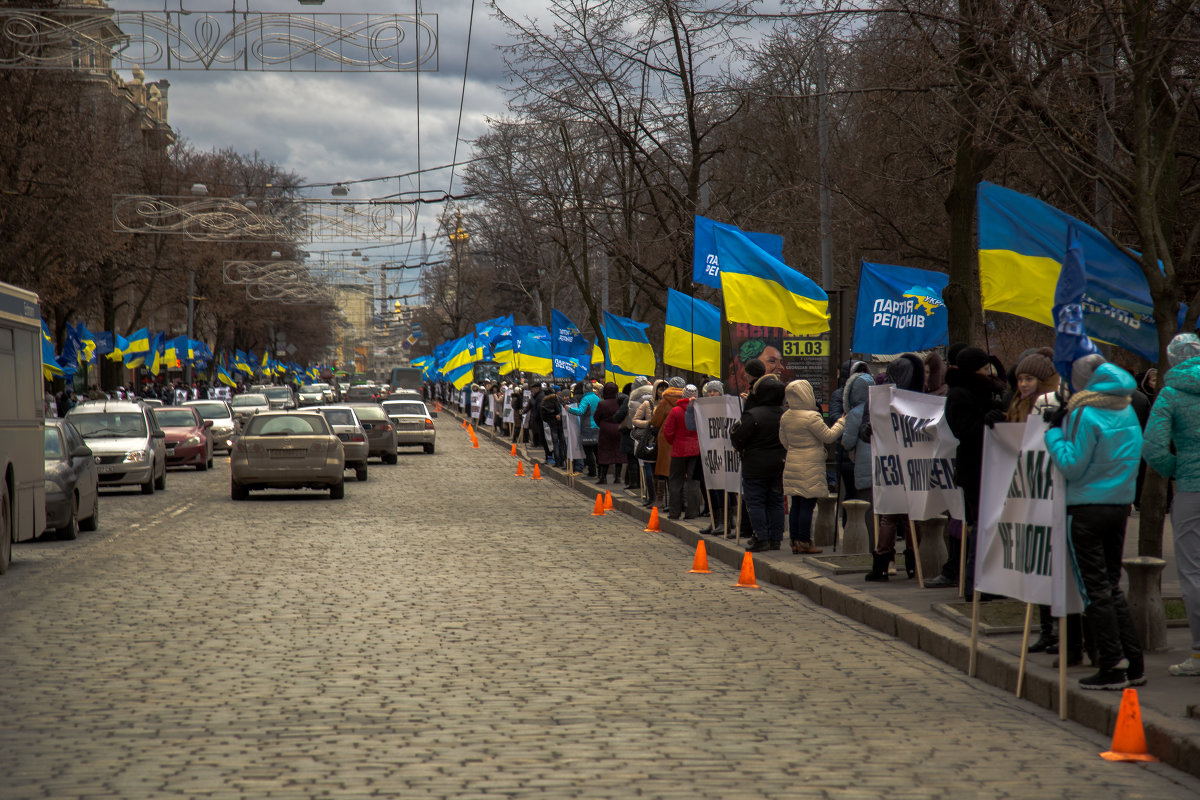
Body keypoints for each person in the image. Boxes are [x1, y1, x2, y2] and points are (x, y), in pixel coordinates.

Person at [1045, 360, 1145, 690]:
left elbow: (1071, 465)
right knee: (1112, 585)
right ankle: (1134, 662)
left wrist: (1054, 435)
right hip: (1119, 505)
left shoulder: (1083, 414)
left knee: (1095, 589)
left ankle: (1111, 663)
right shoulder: (1127, 409)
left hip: (1086, 506)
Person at [1142, 333, 1200, 677]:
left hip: (1191, 490)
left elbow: (1153, 447)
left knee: (1192, 572)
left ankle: (1198, 653)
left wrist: (1175, 469)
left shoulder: (1170, 393)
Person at [944, 346, 1007, 596]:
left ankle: (991, 582)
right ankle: (975, 585)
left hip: (991, 466)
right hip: (974, 469)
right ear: (974, 370)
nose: (989, 371)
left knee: (989, 524)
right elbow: (965, 432)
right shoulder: (960, 394)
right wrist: (987, 420)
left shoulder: (987, 390)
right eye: (984, 368)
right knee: (980, 525)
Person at [780, 379, 845, 554]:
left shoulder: (786, 416)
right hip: (810, 464)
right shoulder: (812, 417)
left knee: (797, 504)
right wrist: (841, 422)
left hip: (793, 461)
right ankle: (804, 542)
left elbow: (784, 442)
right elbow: (829, 436)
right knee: (808, 505)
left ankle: (794, 541)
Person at [731, 374, 787, 552]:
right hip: (779, 463)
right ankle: (776, 539)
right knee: (776, 501)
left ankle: (761, 538)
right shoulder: (784, 415)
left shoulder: (753, 415)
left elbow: (738, 437)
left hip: (755, 466)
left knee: (756, 502)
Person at [663, 384, 701, 519]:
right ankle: (692, 512)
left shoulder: (676, 411)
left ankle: (674, 512)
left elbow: (667, 431)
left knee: (675, 481)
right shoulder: (700, 411)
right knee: (693, 482)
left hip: (679, 450)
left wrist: (674, 442)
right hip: (696, 450)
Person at [650, 382, 684, 505]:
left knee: (663, 470)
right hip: (682, 439)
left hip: (665, 439)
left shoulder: (664, 401)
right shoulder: (688, 401)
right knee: (678, 472)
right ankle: (677, 502)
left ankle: (660, 500)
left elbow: (655, 421)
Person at [632, 380, 665, 507]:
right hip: (650, 441)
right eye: (660, 389)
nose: (662, 392)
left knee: (659, 472)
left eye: (664, 389)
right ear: (655, 390)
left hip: (662, 442)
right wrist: (649, 423)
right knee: (649, 471)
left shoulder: (666, 404)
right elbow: (635, 420)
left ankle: (658, 499)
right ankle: (652, 497)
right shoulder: (647, 404)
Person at [567, 382, 600, 477]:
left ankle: (592, 471)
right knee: (596, 451)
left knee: (588, 451)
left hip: (587, 428)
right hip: (597, 427)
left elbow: (580, 411)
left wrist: (569, 409)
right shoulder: (597, 398)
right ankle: (601, 472)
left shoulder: (585, 399)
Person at [593, 382, 623, 484]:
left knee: (604, 452)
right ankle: (618, 477)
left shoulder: (602, 404)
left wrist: (602, 424)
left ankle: (603, 477)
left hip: (605, 430)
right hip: (618, 429)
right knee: (618, 453)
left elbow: (596, 417)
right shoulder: (620, 402)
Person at [541, 384, 564, 466]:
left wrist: (549, 420)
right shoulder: (558, 399)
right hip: (560, 423)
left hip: (552, 424)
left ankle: (557, 461)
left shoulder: (544, 402)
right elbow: (562, 410)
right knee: (561, 441)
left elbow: (543, 416)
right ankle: (562, 460)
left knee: (555, 443)